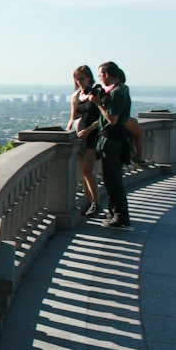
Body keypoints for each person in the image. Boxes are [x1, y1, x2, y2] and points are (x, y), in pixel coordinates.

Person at [90, 61, 131, 227]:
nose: (100, 77)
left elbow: (112, 119)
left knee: (113, 181)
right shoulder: (122, 90)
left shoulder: (117, 92)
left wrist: (98, 103)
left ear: (107, 74)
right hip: (112, 141)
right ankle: (114, 212)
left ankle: (120, 216)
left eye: (100, 74)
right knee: (110, 180)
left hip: (112, 141)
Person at [66, 65, 101, 216]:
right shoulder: (75, 96)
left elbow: (102, 118)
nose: (79, 82)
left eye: (82, 78)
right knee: (83, 172)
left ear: (89, 78)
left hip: (93, 135)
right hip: (79, 136)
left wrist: (88, 130)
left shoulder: (96, 93)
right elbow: (72, 118)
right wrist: (67, 134)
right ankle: (88, 202)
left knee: (87, 170)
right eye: (77, 79)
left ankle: (96, 203)